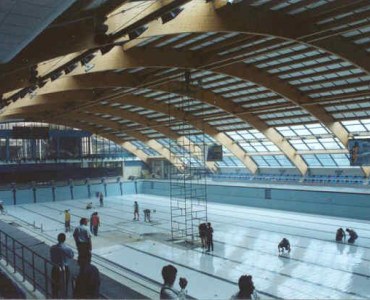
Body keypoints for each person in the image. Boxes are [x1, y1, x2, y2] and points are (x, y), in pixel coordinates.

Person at [50, 233, 74, 298]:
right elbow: (71, 255)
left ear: (57, 239)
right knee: (64, 286)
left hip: (55, 268)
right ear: (65, 239)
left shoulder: (52, 248)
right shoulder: (67, 249)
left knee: (54, 286)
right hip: (64, 269)